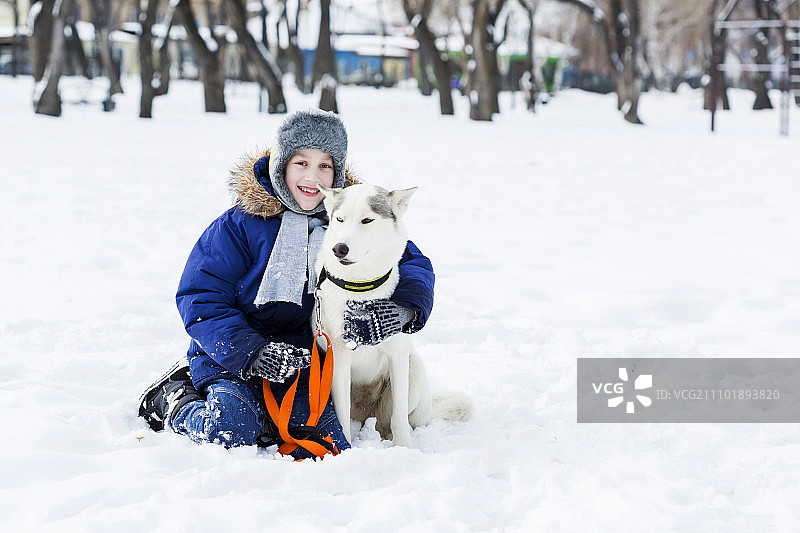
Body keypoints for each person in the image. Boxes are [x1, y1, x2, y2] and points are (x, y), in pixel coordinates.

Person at [138, 109, 435, 460]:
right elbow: (200, 298)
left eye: (325, 165)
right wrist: (252, 352)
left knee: (329, 443)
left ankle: (264, 415)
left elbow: (412, 263)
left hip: (301, 364)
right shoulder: (239, 225)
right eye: (301, 162)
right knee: (231, 429)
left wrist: (402, 309)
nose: (313, 176)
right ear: (281, 165)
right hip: (234, 357)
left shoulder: (345, 219)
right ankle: (174, 398)